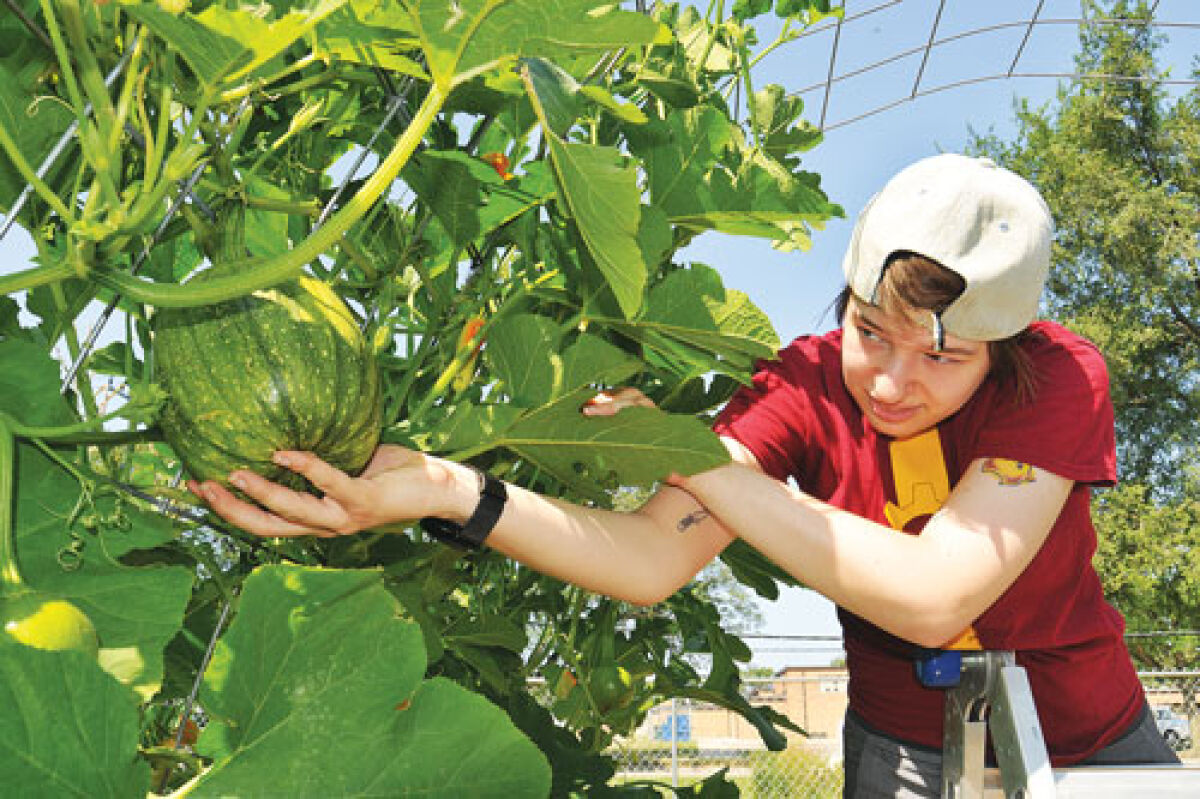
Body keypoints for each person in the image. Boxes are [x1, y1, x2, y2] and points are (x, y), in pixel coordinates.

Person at [190, 154, 1178, 796]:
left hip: (1087, 730)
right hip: (910, 754)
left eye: (940, 357)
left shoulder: (1055, 378)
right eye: (867, 330)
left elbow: (934, 596)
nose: (888, 379)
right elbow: (651, 558)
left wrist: (704, 462)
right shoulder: (798, 383)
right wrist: (452, 491)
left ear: (999, 349)